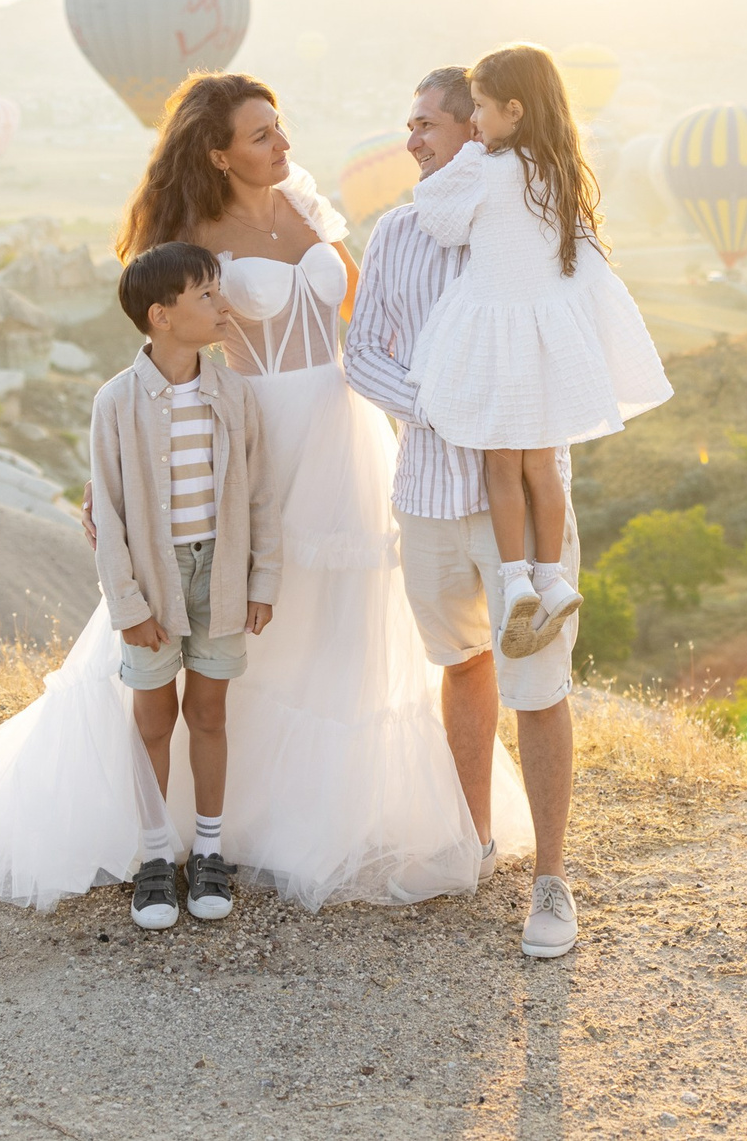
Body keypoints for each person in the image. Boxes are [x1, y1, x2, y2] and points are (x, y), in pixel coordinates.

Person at [124, 72, 533, 911]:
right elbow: (164, 340)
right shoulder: (191, 228)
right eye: (263, 136)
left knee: (342, 620)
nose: (284, 146)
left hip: (341, 421)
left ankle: (322, 813)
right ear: (217, 153)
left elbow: (360, 296)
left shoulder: (306, 206)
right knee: (242, 618)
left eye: (282, 129)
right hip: (254, 426)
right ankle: (216, 822)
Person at [0, 242, 274, 928]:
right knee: (153, 717)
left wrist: (260, 579)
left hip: (222, 574)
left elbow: (260, 496)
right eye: (206, 295)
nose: (222, 305)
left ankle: (207, 852)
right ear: (162, 316)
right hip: (152, 579)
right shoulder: (115, 402)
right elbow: (110, 515)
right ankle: (155, 854)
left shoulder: (236, 393)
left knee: (210, 711)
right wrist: (128, 605)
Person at [345, 67, 582, 957]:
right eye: (408, 123)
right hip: (430, 495)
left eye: (428, 123)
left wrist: (497, 405)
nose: (411, 139)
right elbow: (361, 352)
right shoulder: (397, 231)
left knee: (540, 677)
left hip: (517, 496)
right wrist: (442, 403)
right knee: (462, 663)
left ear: (477, 130)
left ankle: (551, 882)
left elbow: (571, 333)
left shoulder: (532, 215)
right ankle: (473, 843)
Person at [405, 44, 672, 665]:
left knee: (502, 467)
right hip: (544, 342)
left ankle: (515, 579)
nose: (473, 122)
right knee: (543, 467)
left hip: (497, 339)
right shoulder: (559, 170)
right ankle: (553, 577)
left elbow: (439, 219)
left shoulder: (484, 167)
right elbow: (583, 263)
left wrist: (470, 153)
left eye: (479, 109)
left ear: (514, 110)